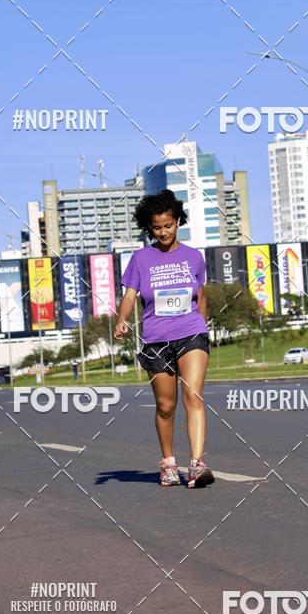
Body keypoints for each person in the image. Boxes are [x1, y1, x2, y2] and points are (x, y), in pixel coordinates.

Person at [114, 189, 214, 489]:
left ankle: (197, 465)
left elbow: (200, 295)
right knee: (166, 406)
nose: (163, 232)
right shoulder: (141, 259)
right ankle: (169, 463)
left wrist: (203, 325)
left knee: (193, 396)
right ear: (149, 228)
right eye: (156, 228)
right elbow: (130, 294)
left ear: (178, 221)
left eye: (168, 225)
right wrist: (121, 320)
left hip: (191, 332)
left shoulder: (194, 257)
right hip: (156, 338)